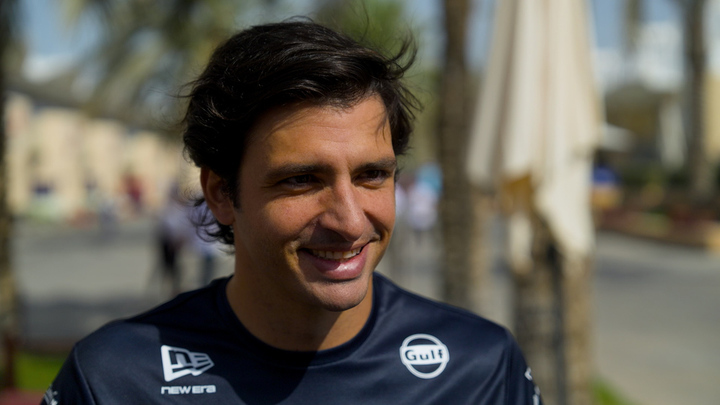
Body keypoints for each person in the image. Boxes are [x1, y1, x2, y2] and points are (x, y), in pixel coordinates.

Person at [42, 20, 542, 404]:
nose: (350, 221)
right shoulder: (114, 380)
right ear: (221, 193)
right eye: (301, 180)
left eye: (372, 175)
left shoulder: (481, 368)